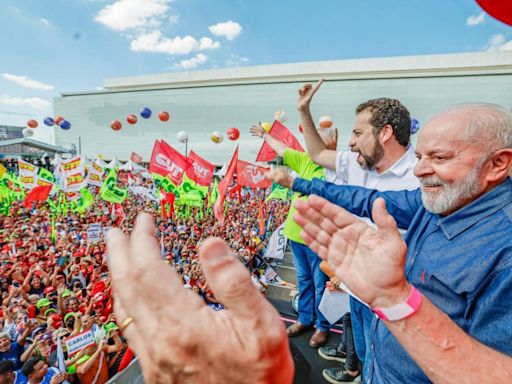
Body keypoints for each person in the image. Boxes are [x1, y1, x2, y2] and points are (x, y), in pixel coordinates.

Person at [269, 102, 512, 383]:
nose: (420, 170)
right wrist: (301, 184)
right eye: (420, 156)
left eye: (439, 158)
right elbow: (368, 199)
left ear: (498, 164)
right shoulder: (438, 202)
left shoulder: (504, 253)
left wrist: (395, 300)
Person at [296, 79, 420, 382]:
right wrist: (304, 110)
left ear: (385, 133)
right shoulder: (357, 163)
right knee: (365, 358)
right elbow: (316, 154)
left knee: (390, 370)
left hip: (394, 306)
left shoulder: (418, 176)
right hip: (356, 292)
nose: (350, 143)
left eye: (358, 133)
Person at [250, 121, 338, 347]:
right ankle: (305, 319)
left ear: (330, 143)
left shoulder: (336, 169)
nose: (311, 145)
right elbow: (281, 149)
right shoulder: (305, 161)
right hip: (296, 235)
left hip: (319, 239)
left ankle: (322, 326)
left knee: (321, 285)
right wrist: (265, 135)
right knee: (304, 280)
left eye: (317, 141)